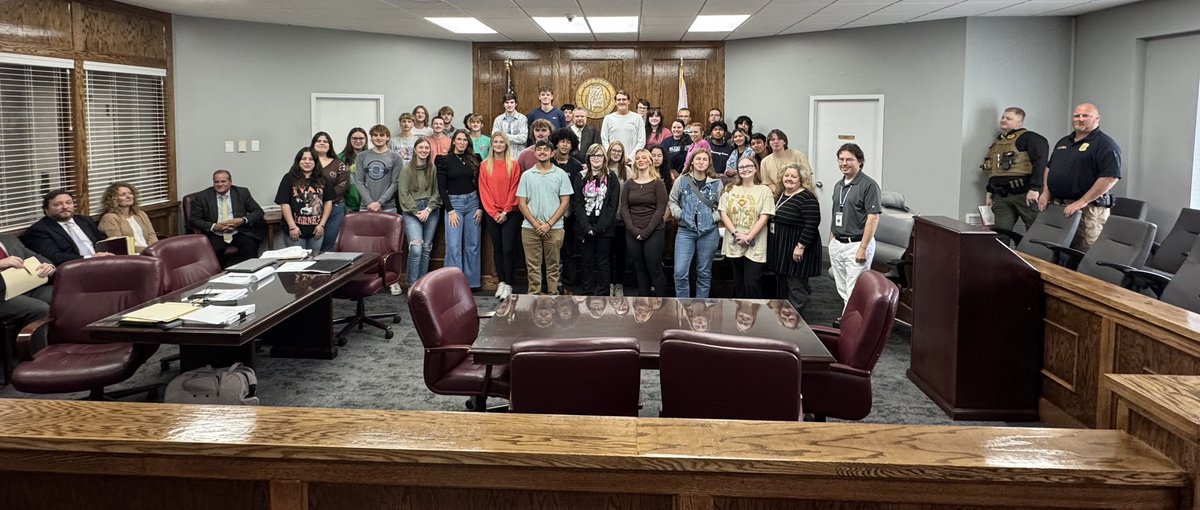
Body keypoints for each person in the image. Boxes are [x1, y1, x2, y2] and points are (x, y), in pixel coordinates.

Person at [1038, 102, 1122, 251]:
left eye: (1085, 115)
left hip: (1088, 209)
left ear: (1097, 118)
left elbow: (1110, 177)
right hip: (1059, 206)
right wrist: (1046, 192)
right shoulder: (1064, 142)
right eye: (1077, 115)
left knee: (1085, 252)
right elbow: (1050, 168)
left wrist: (1082, 201)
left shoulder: (1105, 144)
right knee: (1057, 251)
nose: (1080, 118)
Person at [829, 143, 882, 311]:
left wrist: (863, 248)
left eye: (849, 159)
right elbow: (836, 213)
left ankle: (852, 326)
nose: (844, 163)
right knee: (843, 289)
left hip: (857, 244)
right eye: (841, 159)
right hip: (838, 243)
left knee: (854, 290)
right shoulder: (839, 185)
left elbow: (873, 218)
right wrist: (832, 242)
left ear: (860, 162)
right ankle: (849, 320)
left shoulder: (869, 185)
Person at [516, 139, 573, 295]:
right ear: (534, 153)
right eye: (539, 149)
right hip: (529, 228)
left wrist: (548, 224)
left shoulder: (560, 174)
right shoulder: (527, 175)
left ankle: (553, 295)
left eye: (546, 150)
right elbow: (521, 203)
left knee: (553, 265)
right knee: (533, 267)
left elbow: (565, 202)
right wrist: (536, 224)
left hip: (554, 228)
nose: (542, 152)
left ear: (552, 153)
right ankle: (534, 296)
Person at [980, 107, 1049, 232]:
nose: (1003, 120)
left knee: (1035, 231)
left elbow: (1040, 164)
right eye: (1003, 117)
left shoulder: (1031, 138)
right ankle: (1001, 253)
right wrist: (989, 193)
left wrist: (1035, 189)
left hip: (1025, 193)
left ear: (1019, 122)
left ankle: (1034, 253)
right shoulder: (997, 142)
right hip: (1001, 195)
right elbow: (993, 169)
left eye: (1008, 118)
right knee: (1000, 232)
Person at [767, 163, 822, 314]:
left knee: (796, 285)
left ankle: (795, 320)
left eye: (793, 176)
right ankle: (783, 317)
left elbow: (812, 224)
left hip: (797, 248)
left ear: (801, 179)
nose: (789, 179)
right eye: (786, 175)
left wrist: (801, 245)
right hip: (781, 247)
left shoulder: (807, 198)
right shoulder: (780, 195)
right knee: (783, 284)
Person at [668, 148, 723, 298]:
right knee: (680, 272)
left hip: (709, 232)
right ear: (692, 161)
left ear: (709, 163)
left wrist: (713, 218)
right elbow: (672, 201)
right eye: (698, 159)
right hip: (685, 231)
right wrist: (681, 215)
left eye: (705, 159)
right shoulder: (682, 180)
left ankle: (701, 311)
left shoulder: (717, 183)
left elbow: (723, 207)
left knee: (704, 273)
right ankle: (683, 309)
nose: (701, 162)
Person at [719, 157, 775, 298]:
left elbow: (765, 216)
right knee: (738, 283)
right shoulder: (730, 188)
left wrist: (749, 237)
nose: (745, 169)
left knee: (752, 283)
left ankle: (753, 317)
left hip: (755, 243)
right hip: (735, 241)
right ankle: (740, 317)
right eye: (742, 167)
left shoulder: (764, 190)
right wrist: (736, 234)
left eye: (749, 166)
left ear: (756, 168)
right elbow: (723, 212)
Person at [186, 170, 264, 266]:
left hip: (239, 231)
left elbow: (258, 212)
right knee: (215, 252)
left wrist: (242, 220)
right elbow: (193, 220)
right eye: (216, 182)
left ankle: (251, 274)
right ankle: (220, 276)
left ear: (230, 182)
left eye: (223, 181)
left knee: (250, 246)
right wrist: (214, 226)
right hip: (216, 234)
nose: (220, 184)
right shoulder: (202, 196)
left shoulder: (242, 193)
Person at [436, 129, 483, 288]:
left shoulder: (475, 159)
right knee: (453, 245)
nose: (462, 142)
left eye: (465, 140)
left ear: (468, 142)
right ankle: (453, 283)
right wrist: (450, 210)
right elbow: (441, 189)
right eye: (459, 139)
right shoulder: (444, 160)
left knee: (473, 245)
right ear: (454, 141)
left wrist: (480, 208)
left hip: (473, 204)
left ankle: (471, 283)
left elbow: (481, 185)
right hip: (454, 205)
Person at [573, 143, 620, 296]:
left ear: (604, 158)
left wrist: (599, 227)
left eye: (599, 155)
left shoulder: (612, 177)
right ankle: (587, 291)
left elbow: (612, 205)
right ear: (588, 158)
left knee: (603, 261)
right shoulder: (580, 177)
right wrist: (587, 227)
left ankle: (602, 293)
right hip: (584, 226)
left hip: (604, 227)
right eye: (593, 155)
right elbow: (577, 204)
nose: (596, 158)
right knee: (586, 261)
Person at [479, 131, 522, 299]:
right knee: (497, 249)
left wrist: (506, 210)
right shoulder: (484, 165)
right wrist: (494, 212)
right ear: (492, 144)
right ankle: (501, 282)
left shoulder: (514, 164)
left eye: (501, 142)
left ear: (506, 144)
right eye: (495, 142)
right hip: (492, 213)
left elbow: (515, 188)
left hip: (511, 213)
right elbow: (484, 191)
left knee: (509, 248)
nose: (498, 144)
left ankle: (509, 284)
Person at [621, 148, 668, 297]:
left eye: (644, 158)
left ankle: (662, 304)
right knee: (639, 268)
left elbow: (661, 208)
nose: (641, 160)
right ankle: (643, 302)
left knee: (654, 268)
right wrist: (634, 230)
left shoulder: (658, 183)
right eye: (638, 158)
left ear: (650, 161)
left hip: (654, 231)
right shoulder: (629, 183)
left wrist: (646, 231)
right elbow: (624, 208)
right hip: (633, 231)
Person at [21, 190, 110, 265]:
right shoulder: (39, 230)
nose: (65, 207)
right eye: (58, 204)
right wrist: (89, 258)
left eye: (68, 202)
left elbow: (103, 240)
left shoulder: (84, 221)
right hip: (75, 268)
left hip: (101, 261)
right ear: (46, 210)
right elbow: (54, 257)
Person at [398, 137, 441, 286]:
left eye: (426, 148)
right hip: (412, 211)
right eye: (421, 148)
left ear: (430, 151)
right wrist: (417, 212)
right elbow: (403, 194)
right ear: (415, 150)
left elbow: (437, 192)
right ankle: (412, 285)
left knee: (426, 248)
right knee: (416, 248)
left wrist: (428, 209)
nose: (423, 150)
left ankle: (422, 286)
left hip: (431, 210)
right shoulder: (406, 170)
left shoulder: (433, 168)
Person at [275, 147, 334, 251]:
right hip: (295, 230)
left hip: (317, 230)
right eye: (303, 159)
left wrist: (322, 225)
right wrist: (292, 227)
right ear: (298, 161)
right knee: (296, 262)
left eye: (311, 159)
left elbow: (328, 203)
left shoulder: (323, 179)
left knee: (313, 260)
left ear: (316, 162)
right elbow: (284, 204)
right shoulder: (288, 178)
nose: (307, 162)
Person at [0, 233, 56, 332]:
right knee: (40, 309)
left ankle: (70, 340)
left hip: (26, 286)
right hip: (2, 295)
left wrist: (48, 266)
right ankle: (38, 347)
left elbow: (34, 257)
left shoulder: (8, 239)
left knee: (62, 296)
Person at [550, 128, 583, 288]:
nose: (564, 145)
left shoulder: (576, 166)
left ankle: (568, 285)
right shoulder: (549, 163)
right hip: (550, 216)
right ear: (556, 143)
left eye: (568, 142)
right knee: (551, 253)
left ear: (572, 145)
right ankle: (550, 285)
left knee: (568, 252)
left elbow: (577, 194)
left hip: (570, 217)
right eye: (562, 141)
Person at [310, 131, 349, 251]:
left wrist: (325, 199)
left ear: (330, 145)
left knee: (327, 244)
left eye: (325, 141)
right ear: (313, 144)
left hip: (335, 208)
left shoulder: (338, 164)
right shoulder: (306, 161)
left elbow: (343, 184)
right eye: (318, 141)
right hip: (310, 209)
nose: (322, 143)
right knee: (313, 243)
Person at [98, 182, 159, 253]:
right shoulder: (109, 218)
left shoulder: (140, 214)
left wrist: (155, 250)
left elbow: (152, 236)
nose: (128, 196)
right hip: (130, 255)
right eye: (123, 195)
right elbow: (121, 245)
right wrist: (147, 251)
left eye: (130, 193)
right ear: (113, 199)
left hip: (150, 252)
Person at [354, 124, 401, 213]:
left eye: (382, 135)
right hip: (366, 206)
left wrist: (380, 202)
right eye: (375, 135)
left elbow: (395, 183)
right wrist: (370, 202)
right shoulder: (361, 156)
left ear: (387, 138)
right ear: (371, 138)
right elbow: (359, 182)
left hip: (388, 207)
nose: (378, 138)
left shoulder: (395, 157)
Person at [760, 129, 813, 195]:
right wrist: (782, 195)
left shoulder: (798, 155)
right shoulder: (765, 161)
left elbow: (808, 177)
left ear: (784, 142)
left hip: (800, 194)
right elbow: (767, 183)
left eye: (779, 139)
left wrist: (794, 193)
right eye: (772, 139)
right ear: (768, 143)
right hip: (778, 196)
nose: (776, 142)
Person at [338, 127, 367, 211]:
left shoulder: (372, 157)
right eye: (354, 138)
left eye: (361, 138)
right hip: (347, 206)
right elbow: (336, 185)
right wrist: (344, 206)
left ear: (366, 140)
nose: (358, 141)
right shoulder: (339, 159)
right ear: (349, 140)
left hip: (368, 205)